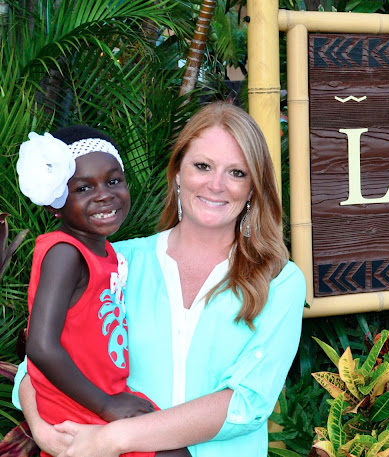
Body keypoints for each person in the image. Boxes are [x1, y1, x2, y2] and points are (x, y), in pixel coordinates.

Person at [13, 102, 307, 457]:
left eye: (237, 173)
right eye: (202, 166)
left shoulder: (279, 280)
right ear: (178, 172)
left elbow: (247, 403)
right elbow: (35, 364)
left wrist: (114, 438)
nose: (216, 185)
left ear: (253, 187)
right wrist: (44, 433)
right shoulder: (117, 263)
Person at [15, 126, 190, 457]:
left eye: (113, 181)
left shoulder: (106, 253)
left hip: (101, 395)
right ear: (55, 202)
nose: (104, 195)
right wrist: (106, 405)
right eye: (83, 187)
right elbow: (40, 346)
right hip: (77, 404)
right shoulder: (65, 253)